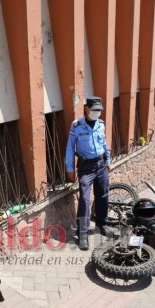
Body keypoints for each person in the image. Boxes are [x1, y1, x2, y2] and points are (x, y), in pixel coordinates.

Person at [65, 96, 111, 251]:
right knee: (84, 198)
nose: (98, 113)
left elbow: (104, 143)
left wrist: (108, 159)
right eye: (95, 110)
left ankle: (101, 224)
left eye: (99, 110)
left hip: (101, 163)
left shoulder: (101, 124)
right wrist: (70, 169)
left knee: (103, 194)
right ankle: (82, 234)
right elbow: (70, 148)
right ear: (86, 109)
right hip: (86, 167)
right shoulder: (77, 126)